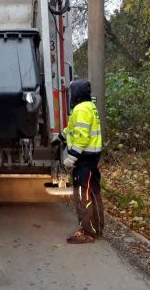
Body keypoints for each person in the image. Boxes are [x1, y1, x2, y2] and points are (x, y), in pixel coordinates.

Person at [58, 79, 104, 244]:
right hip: (91, 158)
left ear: (75, 93)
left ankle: (88, 232)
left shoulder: (81, 109)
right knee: (93, 193)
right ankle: (96, 228)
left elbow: (82, 136)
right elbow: (73, 129)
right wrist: (60, 137)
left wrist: (72, 157)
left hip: (84, 159)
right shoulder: (89, 107)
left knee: (82, 195)